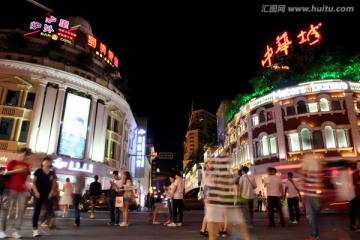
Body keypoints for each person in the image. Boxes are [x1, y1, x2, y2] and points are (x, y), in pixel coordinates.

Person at [204, 156, 250, 240]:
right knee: (239, 222)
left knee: (213, 222)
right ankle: (225, 231)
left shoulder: (214, 174)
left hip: (217, 199)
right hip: (225, 199)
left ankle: (221, 232)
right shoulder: (228, 173)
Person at [0, 147, 32, 239]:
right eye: (24, 154)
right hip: (8, 189)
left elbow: (27, 179)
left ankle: (15, 231)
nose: (25, 157)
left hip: (21, 191)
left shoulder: (27, 165)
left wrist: (27, 188)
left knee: (21, 210)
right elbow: (4, 173)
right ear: (20, 153)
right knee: (5, 209)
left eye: (27, 155)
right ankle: (2, 230)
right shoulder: (13, 162)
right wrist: (17, 171)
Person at [301, 153, 326, 240]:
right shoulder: (315, 172)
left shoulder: (309, 173)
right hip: (313, 195)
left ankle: (313, 235)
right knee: (312, 216)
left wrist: (304, 174)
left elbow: (307, 184)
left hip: (310, 195)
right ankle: (315, 235)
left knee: (311, 216)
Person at [31, 156, 57, 237]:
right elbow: (33, 182)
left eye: (49, 162)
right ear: (42, 163)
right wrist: (36, 192)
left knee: (50, 210)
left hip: (48, 194)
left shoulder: (52, 173)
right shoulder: (39, 171)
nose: (47, 163)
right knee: (36, 211)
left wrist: (52, 191)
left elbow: (53, 184)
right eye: (46, 161)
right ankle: (35, 229)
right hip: (38, 194)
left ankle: (48, 222)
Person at [350, 160, 360, 231]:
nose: (359, 166)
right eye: (358, 165)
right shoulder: (354, 174)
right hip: (354, 195)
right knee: (353, 211)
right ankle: (352, 225)